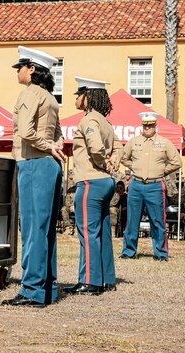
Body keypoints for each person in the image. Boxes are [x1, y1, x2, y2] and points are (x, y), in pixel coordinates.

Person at [1, 46, 65, 308]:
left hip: (34, 162)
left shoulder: (30, 93)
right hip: (49, 164)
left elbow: (26, 132)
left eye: (22, 67)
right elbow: (59, 134)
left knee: (31, 230)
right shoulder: (50, 98)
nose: (19, 72)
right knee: (46, 230)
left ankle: (31, 290)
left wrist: (48, 146)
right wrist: (52, 146)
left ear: (33, 69)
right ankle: (47, 288)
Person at [63, 77, 122, 296]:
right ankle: (106, 278)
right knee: (103, 232)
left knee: (87, 233)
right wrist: (111, 164)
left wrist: (101, 162)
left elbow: (95, 147)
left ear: (89, 97)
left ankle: (89, 281)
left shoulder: (89, 120)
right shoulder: (106, 122)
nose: (76, 98)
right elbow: (119, 147)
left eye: (79, 94)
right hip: (105, 181)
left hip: (91, 180)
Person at [120, 112, 182, 261]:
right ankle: (129, 252)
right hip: (136, 184)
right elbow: (123, 158)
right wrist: (133, 166)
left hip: (155, 185)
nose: (147, 127)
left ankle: (160, 253)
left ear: (155, 125)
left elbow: (177, 162)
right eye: (145, 125)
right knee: (132, 220)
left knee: (158, 220)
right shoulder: (133, 141)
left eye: (150, 125)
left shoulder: (164, 142)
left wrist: (163, 171)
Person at [59, 171, 76, 235]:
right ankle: (68, 228)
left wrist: (74, 206)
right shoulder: (67, 192)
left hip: (77, 206)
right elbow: (67, 202)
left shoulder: (78, 190)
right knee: (63, 209)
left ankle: (78, 229)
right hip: (69, 206)